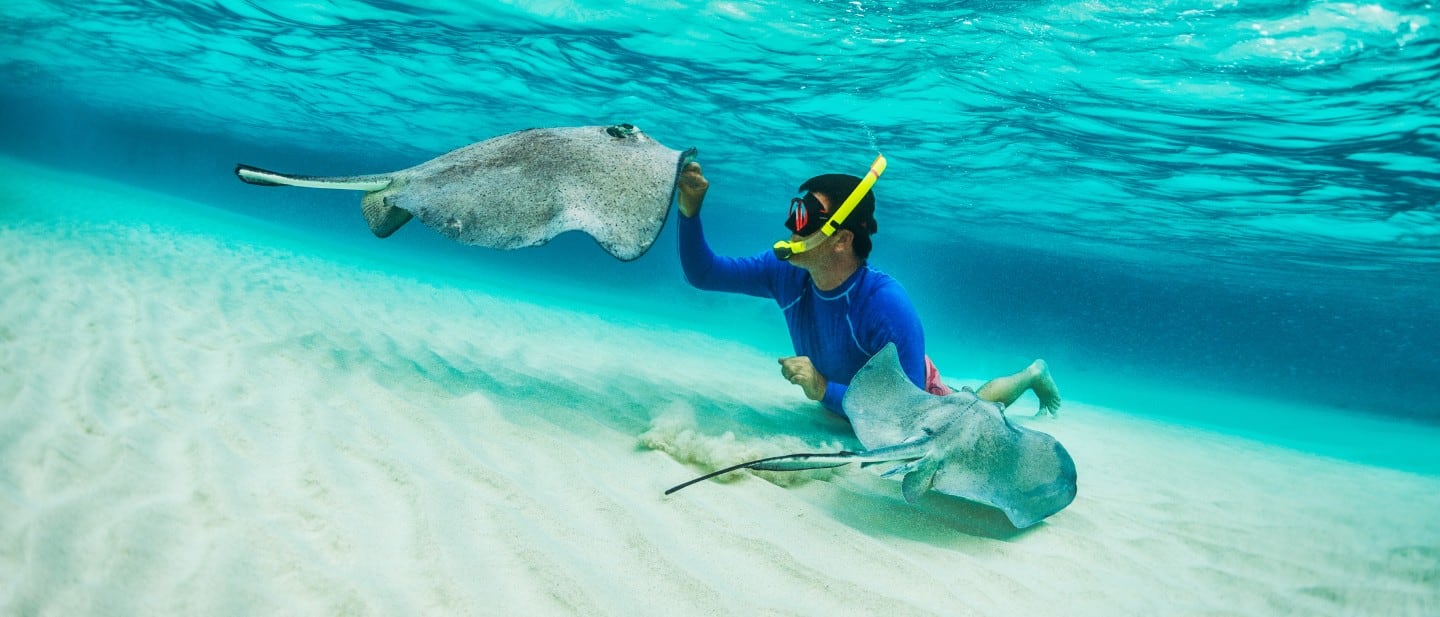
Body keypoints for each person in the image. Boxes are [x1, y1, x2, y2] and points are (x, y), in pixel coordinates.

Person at [675, 159, 1061, 418]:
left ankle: (1031, 373)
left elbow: (905, 412)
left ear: (841, 239)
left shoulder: (886, 304)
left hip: (912, 402)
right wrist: (689, 211)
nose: (792, 226)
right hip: (855, 408)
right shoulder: (784, 273)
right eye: (795, 211)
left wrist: (824, 388)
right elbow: (704, 273)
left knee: (974, 408)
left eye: (805, 217)